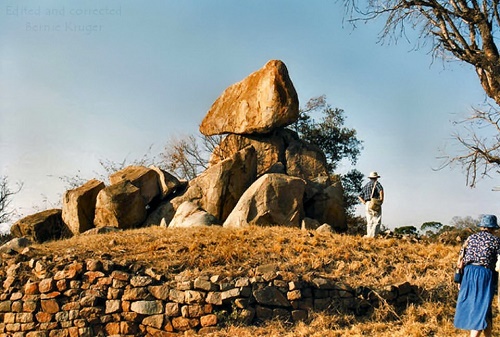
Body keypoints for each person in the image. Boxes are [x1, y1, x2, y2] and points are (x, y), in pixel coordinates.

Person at [454, 214, 500, 337]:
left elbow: (461, 259)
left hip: (468, 273)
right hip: (483, 274)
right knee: (480, 308)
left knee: (484, 308)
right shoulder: (495, 240)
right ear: (493, 228)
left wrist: (459, 280)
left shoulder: (471, 238)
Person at [358, 171, 384, 237]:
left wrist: (364, 202)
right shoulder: (377, 184)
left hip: (367, 203)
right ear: (376, 178)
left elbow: (359, 196)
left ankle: (369, 235)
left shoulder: (366, 185)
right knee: (377, 220)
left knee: (369, 221)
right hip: (374, 203)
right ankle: (373, 236)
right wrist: (381, 200)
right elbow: (381, 190)